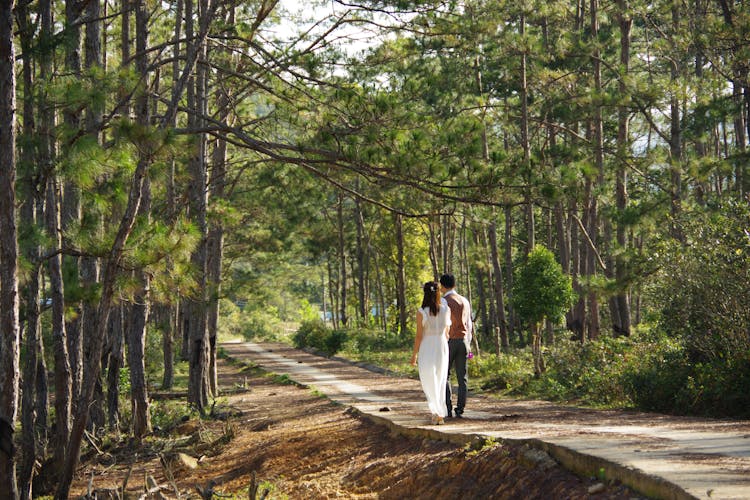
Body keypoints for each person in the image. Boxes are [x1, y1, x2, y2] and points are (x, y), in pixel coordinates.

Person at [410, 281, 451, 425]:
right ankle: (439, 412)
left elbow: (419, 336)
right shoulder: (446, 310)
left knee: (429, 379)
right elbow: (447, 333)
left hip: (427, 345)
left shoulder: (422, 312)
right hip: (442, 345)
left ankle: (436, 412)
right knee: (440, 378)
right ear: (438, 292)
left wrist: (414, 354)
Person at [440, 273, 473, 418]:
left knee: (444, 375)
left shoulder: (443, 301)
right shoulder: (464, 300)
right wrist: (469, 343)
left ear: (442, 286)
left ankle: (448, 407)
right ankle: (460, 409)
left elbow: (442, 323)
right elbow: (469, 324)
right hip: (464, 340)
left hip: (449, 341)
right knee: (462, 377)